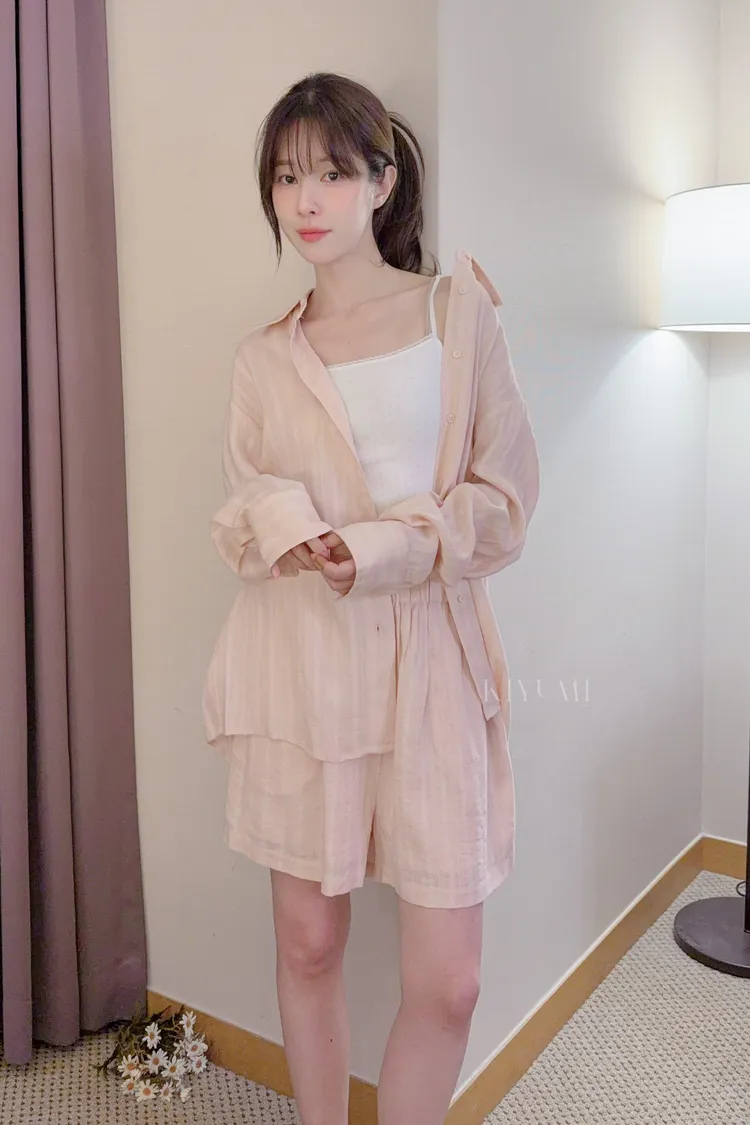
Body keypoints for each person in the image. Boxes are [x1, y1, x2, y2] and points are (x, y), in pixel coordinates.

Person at [203, 71, 540, 1125]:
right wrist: (292, 529)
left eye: (333, 174)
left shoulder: (457, 313)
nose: (306, 201)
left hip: (431, 666)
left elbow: (505, 502)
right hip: (299, 662)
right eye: (286, 178)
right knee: (309, 944)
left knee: (450, 981)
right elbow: (242, 503)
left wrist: (386, 549)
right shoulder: (264, 356)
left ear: (384, 182)